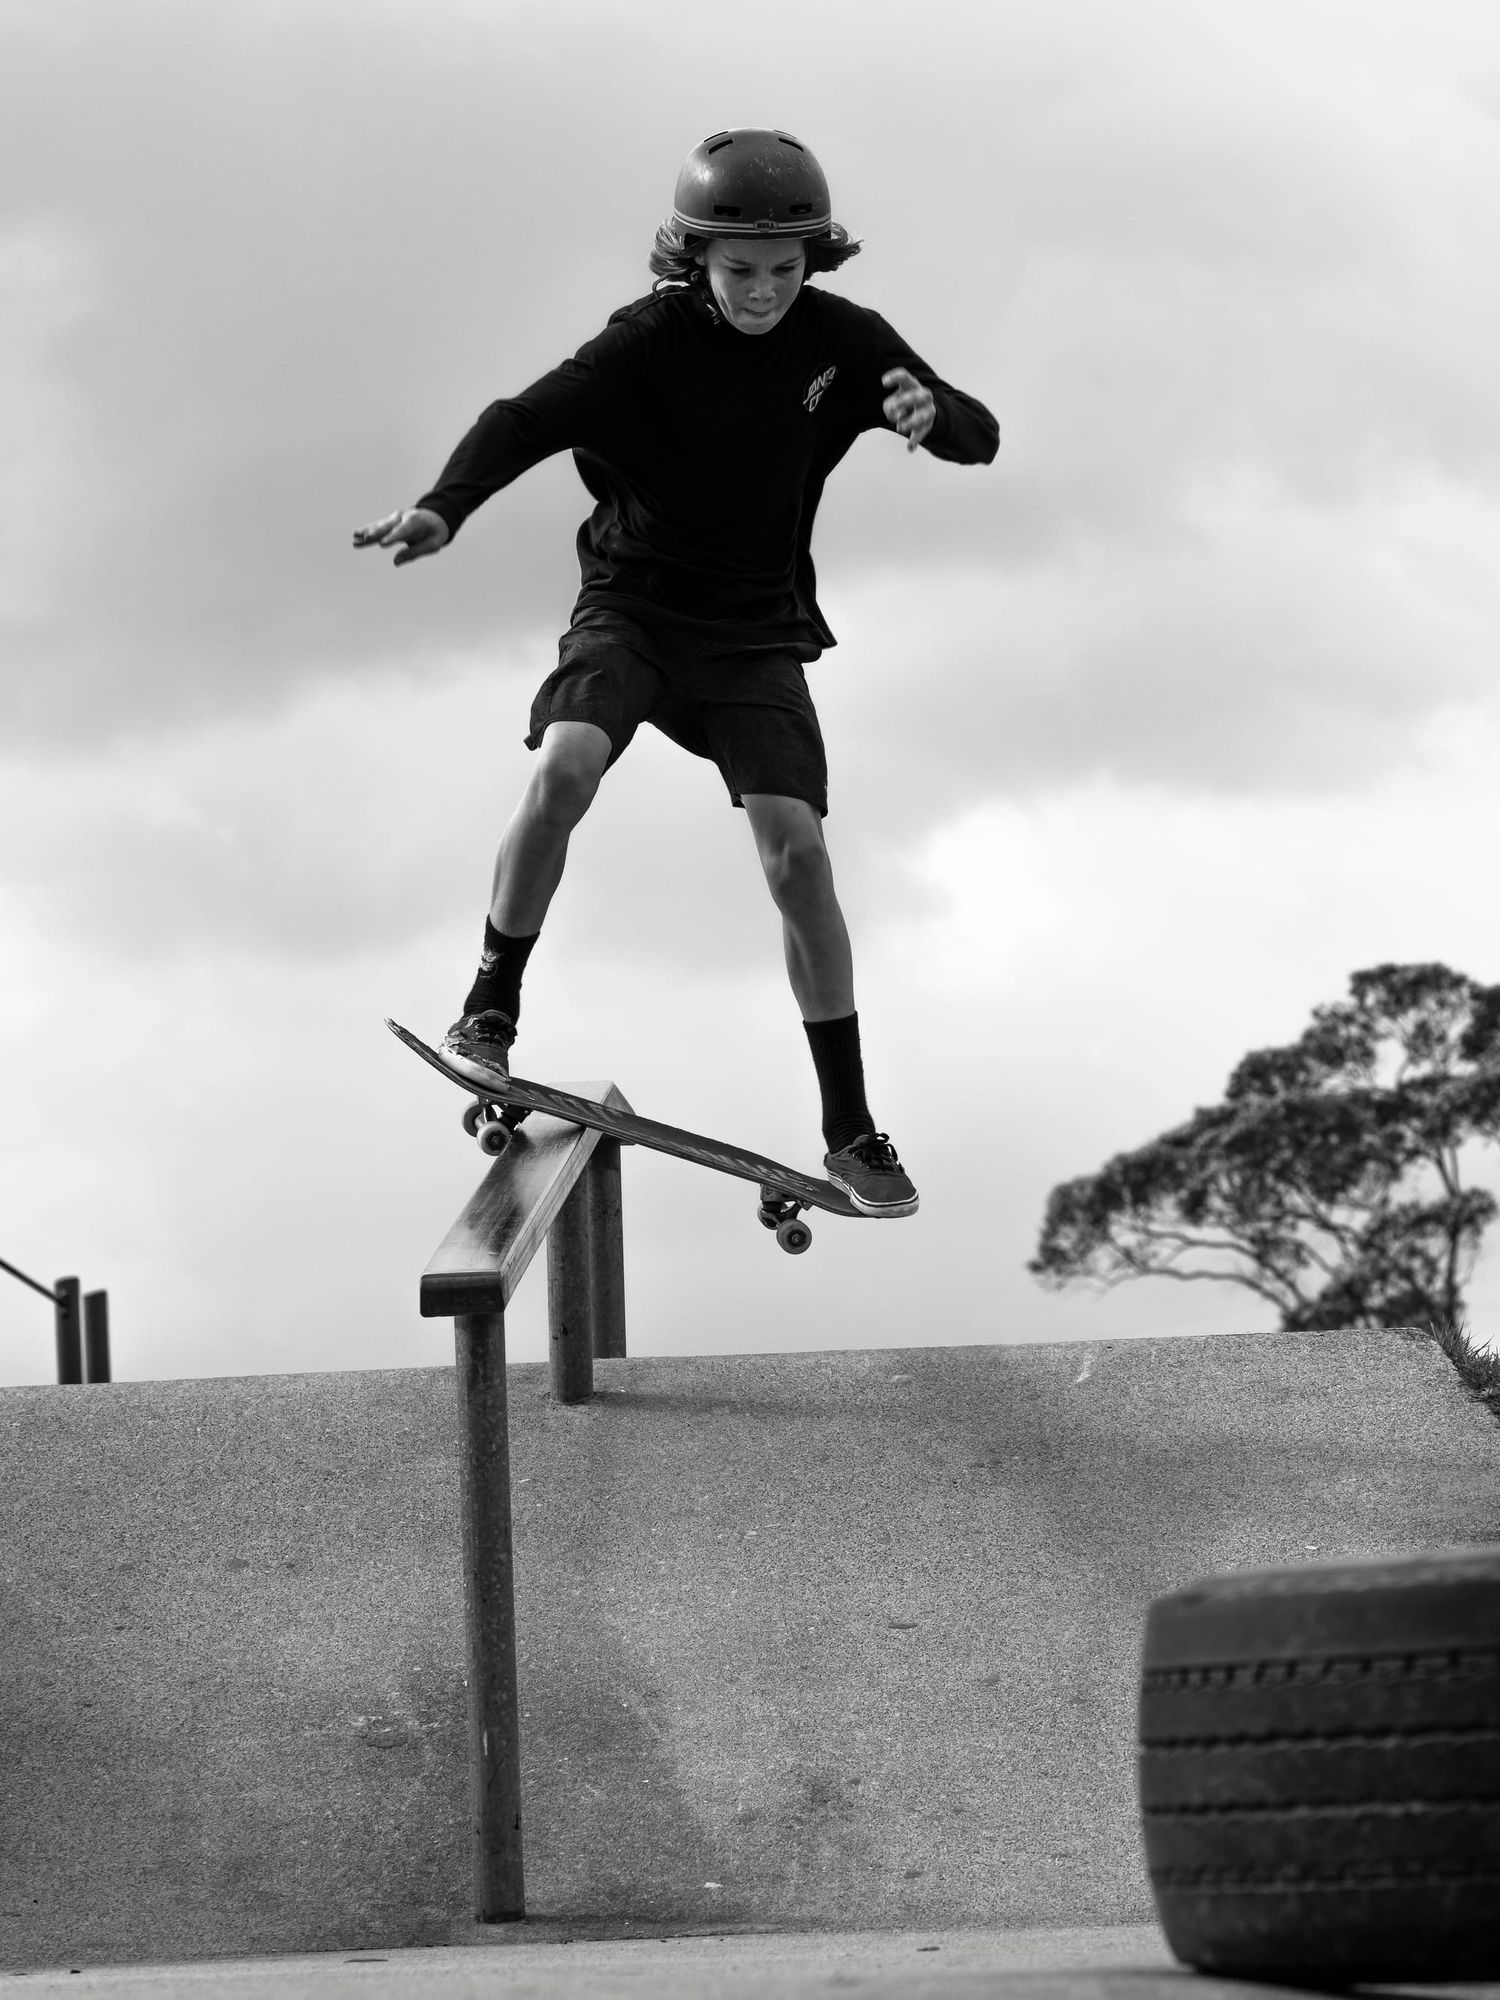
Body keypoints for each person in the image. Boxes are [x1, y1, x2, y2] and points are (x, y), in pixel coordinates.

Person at [354, 127, 998, 1217]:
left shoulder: (844, 341)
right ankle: (489, 1007)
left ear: (814, 260)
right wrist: (445, 506)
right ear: (693, 259)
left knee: (798, 856)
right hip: (634, 612)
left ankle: (850, 1129)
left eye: (786, 272)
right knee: (564, 768)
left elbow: (980, 436)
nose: (762, 293)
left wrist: (933, 420)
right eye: (740, 272)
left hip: (754, 635)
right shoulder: (644, 341)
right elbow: (524, 419)